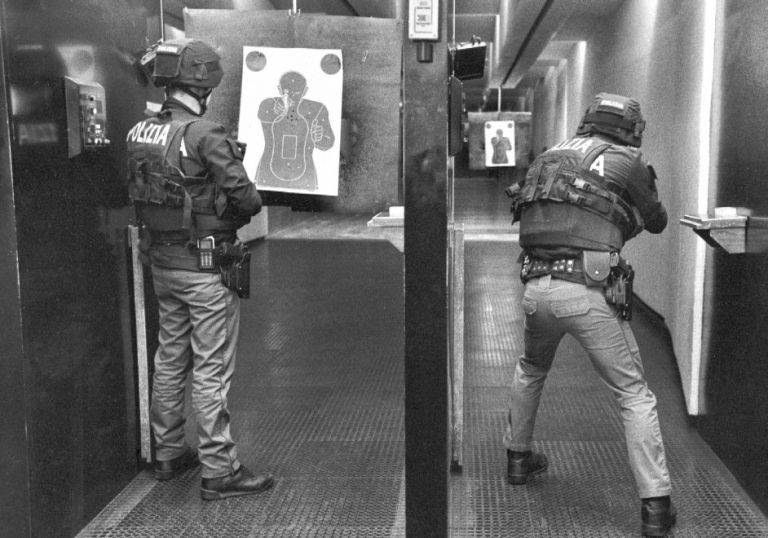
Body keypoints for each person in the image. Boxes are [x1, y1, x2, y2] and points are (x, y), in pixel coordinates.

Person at [504, 93, 675, 537]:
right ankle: (655, 508)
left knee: (531, 368)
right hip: (587, 292)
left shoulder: (549, 155)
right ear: (630, 130)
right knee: (634, 393)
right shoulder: (624, 161)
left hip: (536, 289)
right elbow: (657, 220)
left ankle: (518, 460)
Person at [126, 38, 274, 500]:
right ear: (203, 84)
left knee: (170, 358)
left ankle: (168, 453)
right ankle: (219, 469)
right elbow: (248, 199)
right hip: (206, 268)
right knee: (211, 368)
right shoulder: (205, 134)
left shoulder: (140, 132)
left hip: (162, 266)